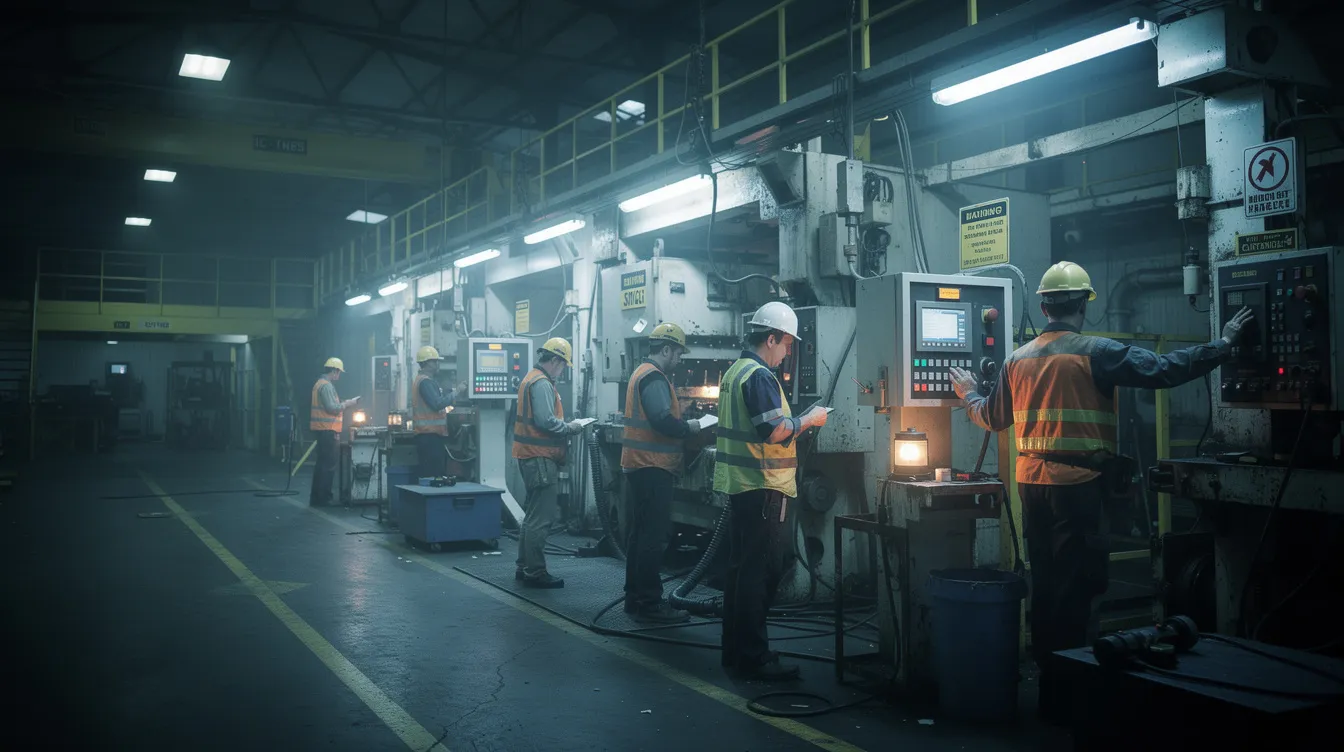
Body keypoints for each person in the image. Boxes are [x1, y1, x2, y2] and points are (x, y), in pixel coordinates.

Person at [948, 260, 1253, 721]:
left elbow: (992, 419)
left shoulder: (1018, 359)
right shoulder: (1097, 352)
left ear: (1045, 305)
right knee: (1079, 589)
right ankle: (1074, 697)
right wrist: (1225, 345)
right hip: (1078, 489)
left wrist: (969, 394)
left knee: (1048, 589)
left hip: (1031, 488)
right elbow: (1166, 370)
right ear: (1083, 305)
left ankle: (1053, 691)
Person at [714, 301, 829, 680]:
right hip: (763, 488)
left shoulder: (734, 372)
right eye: (786, 344)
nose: (788, 353)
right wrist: (808, 420)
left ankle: (734, 651)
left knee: (739, 569)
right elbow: (774, 431)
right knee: (760, 572)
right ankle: (754, 656)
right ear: (771, 338)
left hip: (741, 486)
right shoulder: (760, 376)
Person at [620, 323, 702, 624]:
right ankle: (651, 603)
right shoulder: (654, 377)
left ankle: (634, 597)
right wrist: (689, 428)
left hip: (640, 464)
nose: (679, 360)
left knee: (639, 535)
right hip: (652, 466)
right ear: (666, 349)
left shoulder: (640, 373)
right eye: (678, 353)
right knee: (653, 537)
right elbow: (660, 420)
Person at [512, 337, 589, 589]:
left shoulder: (530, 378)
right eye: (563, 364)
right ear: (554, 360)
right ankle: (535, 571)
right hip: (540, 458)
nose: (563, 369)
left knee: (532, 515)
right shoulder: (542, 383)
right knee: (541, 518)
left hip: (530, 456)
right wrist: (571, 428)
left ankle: (524, 566)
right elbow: (546, 421)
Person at [410, 345, 466, 481]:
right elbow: (437, 404)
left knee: (433, 475)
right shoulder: (425, 382)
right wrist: (456, 392)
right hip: (429, 437)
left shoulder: (425, 381)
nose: (437, 364)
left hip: (429, 436)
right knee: (433, 476)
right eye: (435, 361)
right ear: (427, 363)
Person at [310, 358, 358, 507]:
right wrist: (348, 404)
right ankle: (324, 498)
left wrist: (343, 402)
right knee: (328, 466)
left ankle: (317, 498)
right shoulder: (326, 386)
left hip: (322, 430)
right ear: (335, 371)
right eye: (339, 372)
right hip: (328, 431)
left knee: (321, 465)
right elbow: (332, 408)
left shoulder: (319, 384)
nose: (339, 375)